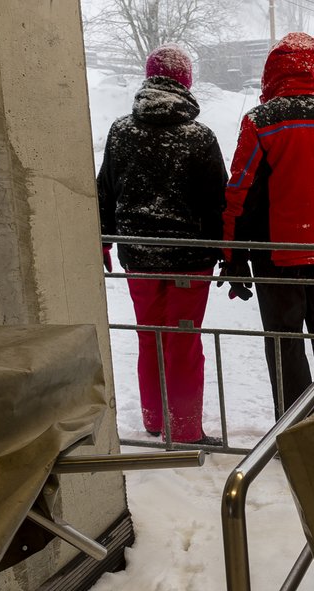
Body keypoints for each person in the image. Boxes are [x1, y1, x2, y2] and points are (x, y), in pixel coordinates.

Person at [221, 32, 314, 419]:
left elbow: (240, 192)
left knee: (285, 341)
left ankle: (295, 426)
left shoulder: (260, 121)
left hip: (277, 253)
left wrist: (232, 256)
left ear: (273, 73)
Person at [97, 45, 227, 445]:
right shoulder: (199, 137)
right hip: (189, 260)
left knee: (148, 337)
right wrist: (226, 251)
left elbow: (105, 190)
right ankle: (185, 428)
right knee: (183, 343)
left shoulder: (121, 131)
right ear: (186, 81)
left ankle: (155, 419)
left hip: (137, 256)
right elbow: (217, 201)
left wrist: (103, 240)